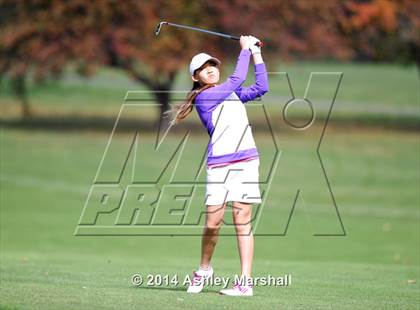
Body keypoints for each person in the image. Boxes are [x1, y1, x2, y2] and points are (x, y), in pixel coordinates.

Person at [171, 35, 268, 296]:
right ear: (196, 77)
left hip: (246, 159)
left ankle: (245, 283)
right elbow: (236, 79)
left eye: (212, 65)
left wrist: (257, 54)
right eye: (203, 68)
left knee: (242, 219)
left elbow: (261, 87)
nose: (210, 69)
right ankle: (204, 269)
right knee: (213, 223)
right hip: (219, 164)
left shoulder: (231, 93)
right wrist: (245, 50)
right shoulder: (205, 98)